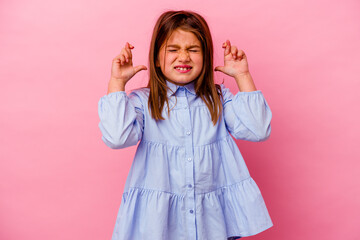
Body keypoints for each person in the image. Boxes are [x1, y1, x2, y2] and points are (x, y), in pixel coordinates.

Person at [98, 10, 273, 240]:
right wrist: (117, 83)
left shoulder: (219, 99)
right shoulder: (143, 101)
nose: (183, 57)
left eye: (193, 50)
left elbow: (258, 130)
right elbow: (117, 137)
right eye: (173, 50)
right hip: (158, 223)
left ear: (206, 57)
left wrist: (243, 76)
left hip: (211, 221)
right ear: (157, 60)